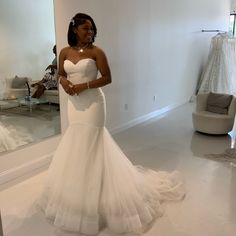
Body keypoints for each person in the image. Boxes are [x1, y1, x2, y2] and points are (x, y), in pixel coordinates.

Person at [38, 13, 185, 235]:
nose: (90, 32)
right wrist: (65, 81)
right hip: (74, 105)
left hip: (93, 104)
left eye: (92, 29)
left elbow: (107, 78)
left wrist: (83, 86)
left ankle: (99, 196)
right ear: (74, 29)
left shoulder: (98, 52)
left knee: (94, 144)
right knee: (76, 144)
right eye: (86, 29)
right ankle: (77, 192)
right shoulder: (65, 52)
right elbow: (60, 73)